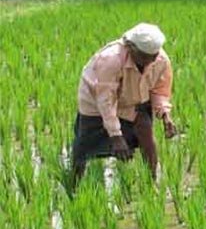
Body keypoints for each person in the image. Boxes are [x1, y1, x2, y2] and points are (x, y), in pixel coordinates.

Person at [71, 23, 177, 186]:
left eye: (154, 56)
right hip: (96, 102)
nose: (151, 61)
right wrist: (116, 136)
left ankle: (153, 181)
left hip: (133, 99)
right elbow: (105, 101)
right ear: (131, 48)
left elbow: (159, 89)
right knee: (85, 145)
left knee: (145, 131)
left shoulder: (160, 59)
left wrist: (165, 115)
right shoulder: (111, 59)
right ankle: (73, 183)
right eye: (145, 57)